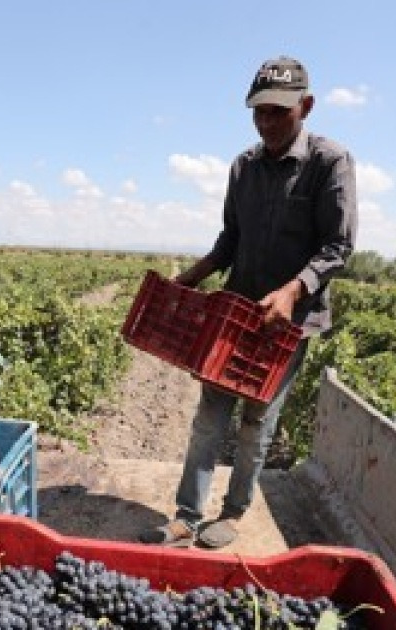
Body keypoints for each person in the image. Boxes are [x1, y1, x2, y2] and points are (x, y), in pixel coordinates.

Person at [138, 55, 357, 549]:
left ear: (306, 106)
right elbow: (229, 241)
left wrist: (292, 290)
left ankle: (233, 512)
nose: (267, 122)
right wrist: (190, 279)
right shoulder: (244, 167)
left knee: (258, 419)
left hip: (288, 322)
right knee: (209, 416)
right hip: (236, 313)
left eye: (279, 111)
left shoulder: (329, 162)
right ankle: (186, 514)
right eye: (259, 111)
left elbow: (338, 246)